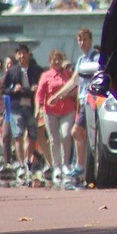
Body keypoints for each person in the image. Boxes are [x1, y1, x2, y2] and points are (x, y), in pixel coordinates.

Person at [47, 27, 99, 183]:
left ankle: (80, 165)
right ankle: (83, 165)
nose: (82, 43)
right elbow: (73, 81)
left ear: (91, 40)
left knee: (76, 131)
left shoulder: (96, 58)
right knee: (83, 134)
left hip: (93, 100)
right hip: (83, 102)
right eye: (80, 40)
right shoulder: (81, 60)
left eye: (85, 39)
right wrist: (57, 96)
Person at [2, 44, 44, 176]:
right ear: (16, 56)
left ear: (28, 54)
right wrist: (13, 90)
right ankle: (20, 164)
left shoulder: (37, 70)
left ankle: (28, 160)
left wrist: (37, 89)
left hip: (31, 106)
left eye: (24, 53)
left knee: (33, 136)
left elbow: (43, 87)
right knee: (18, 135)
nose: (22, 56)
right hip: (16, 107)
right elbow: (3, 88)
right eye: (19, 54)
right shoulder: (12, 71)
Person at [35, 50, 77, 183]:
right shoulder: (45, 76)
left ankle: (66, 164)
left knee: (65, 135)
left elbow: (75, 89)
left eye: (59, 59)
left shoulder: (68, 75)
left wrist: (65, 95)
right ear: (50, 62)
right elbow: (40, 94)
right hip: (50, 111)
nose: (57, 62)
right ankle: (56, 166)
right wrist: (38, 108)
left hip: (67, 109)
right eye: (54, 59)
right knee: (54, 139)